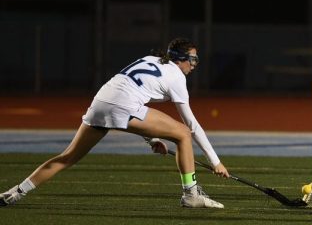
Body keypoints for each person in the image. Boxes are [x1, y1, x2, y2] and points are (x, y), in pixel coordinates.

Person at [0, 37, 227, 209]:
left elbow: (131, 94)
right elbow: (192, 125)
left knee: (67, 157)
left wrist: (152, 138)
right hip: (122, 106)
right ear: (180, 59)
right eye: (193, 59)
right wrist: (215, 161)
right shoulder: (177, 77)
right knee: (183, 133)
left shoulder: (152, 60)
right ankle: (190, 194)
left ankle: (16, 192)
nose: (195, 64)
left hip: (101, 101)